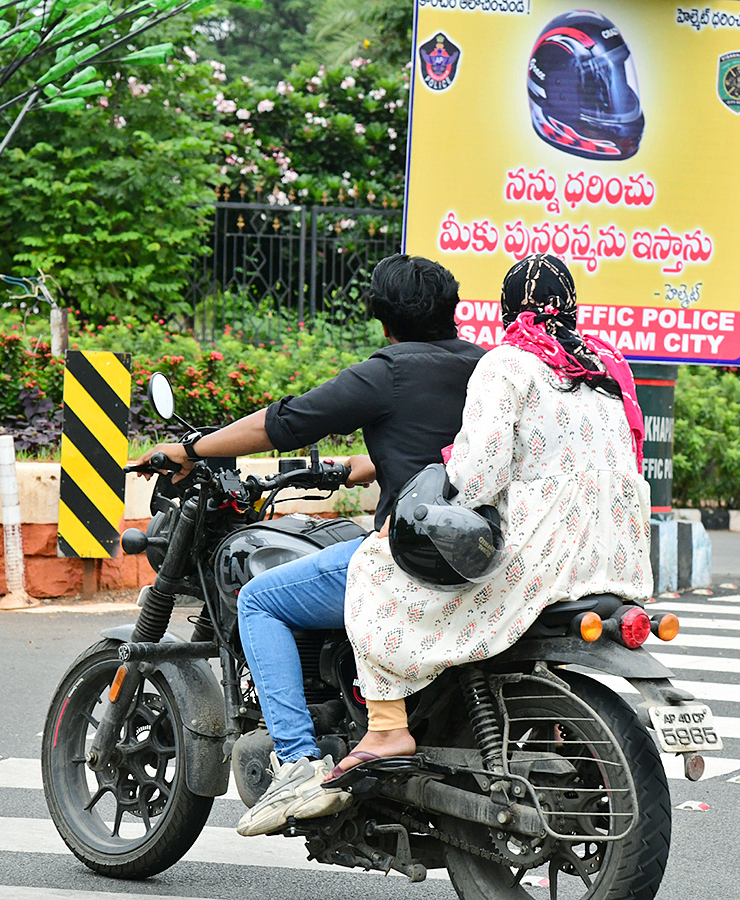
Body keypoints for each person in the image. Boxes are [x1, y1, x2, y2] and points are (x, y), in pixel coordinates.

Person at [129, 254, 485, 836]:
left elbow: (284, 422)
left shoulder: (388, 370)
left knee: (259, 601)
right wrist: (368, 466)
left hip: (413, 558)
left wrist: (192, 450)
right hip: (485, 556)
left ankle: (295, 762)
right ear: (452, 309)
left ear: (382, 318)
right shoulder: (488, 368)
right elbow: (452, 446)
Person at [328, 253, 652, 779]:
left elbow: (478, 476)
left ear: (506, 310)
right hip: (618, 559)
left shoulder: (508, 364)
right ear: (571, 307)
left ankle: (386, 726)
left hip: (545, 555)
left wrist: (424, 506)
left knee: (372, 566)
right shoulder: (607, 369)